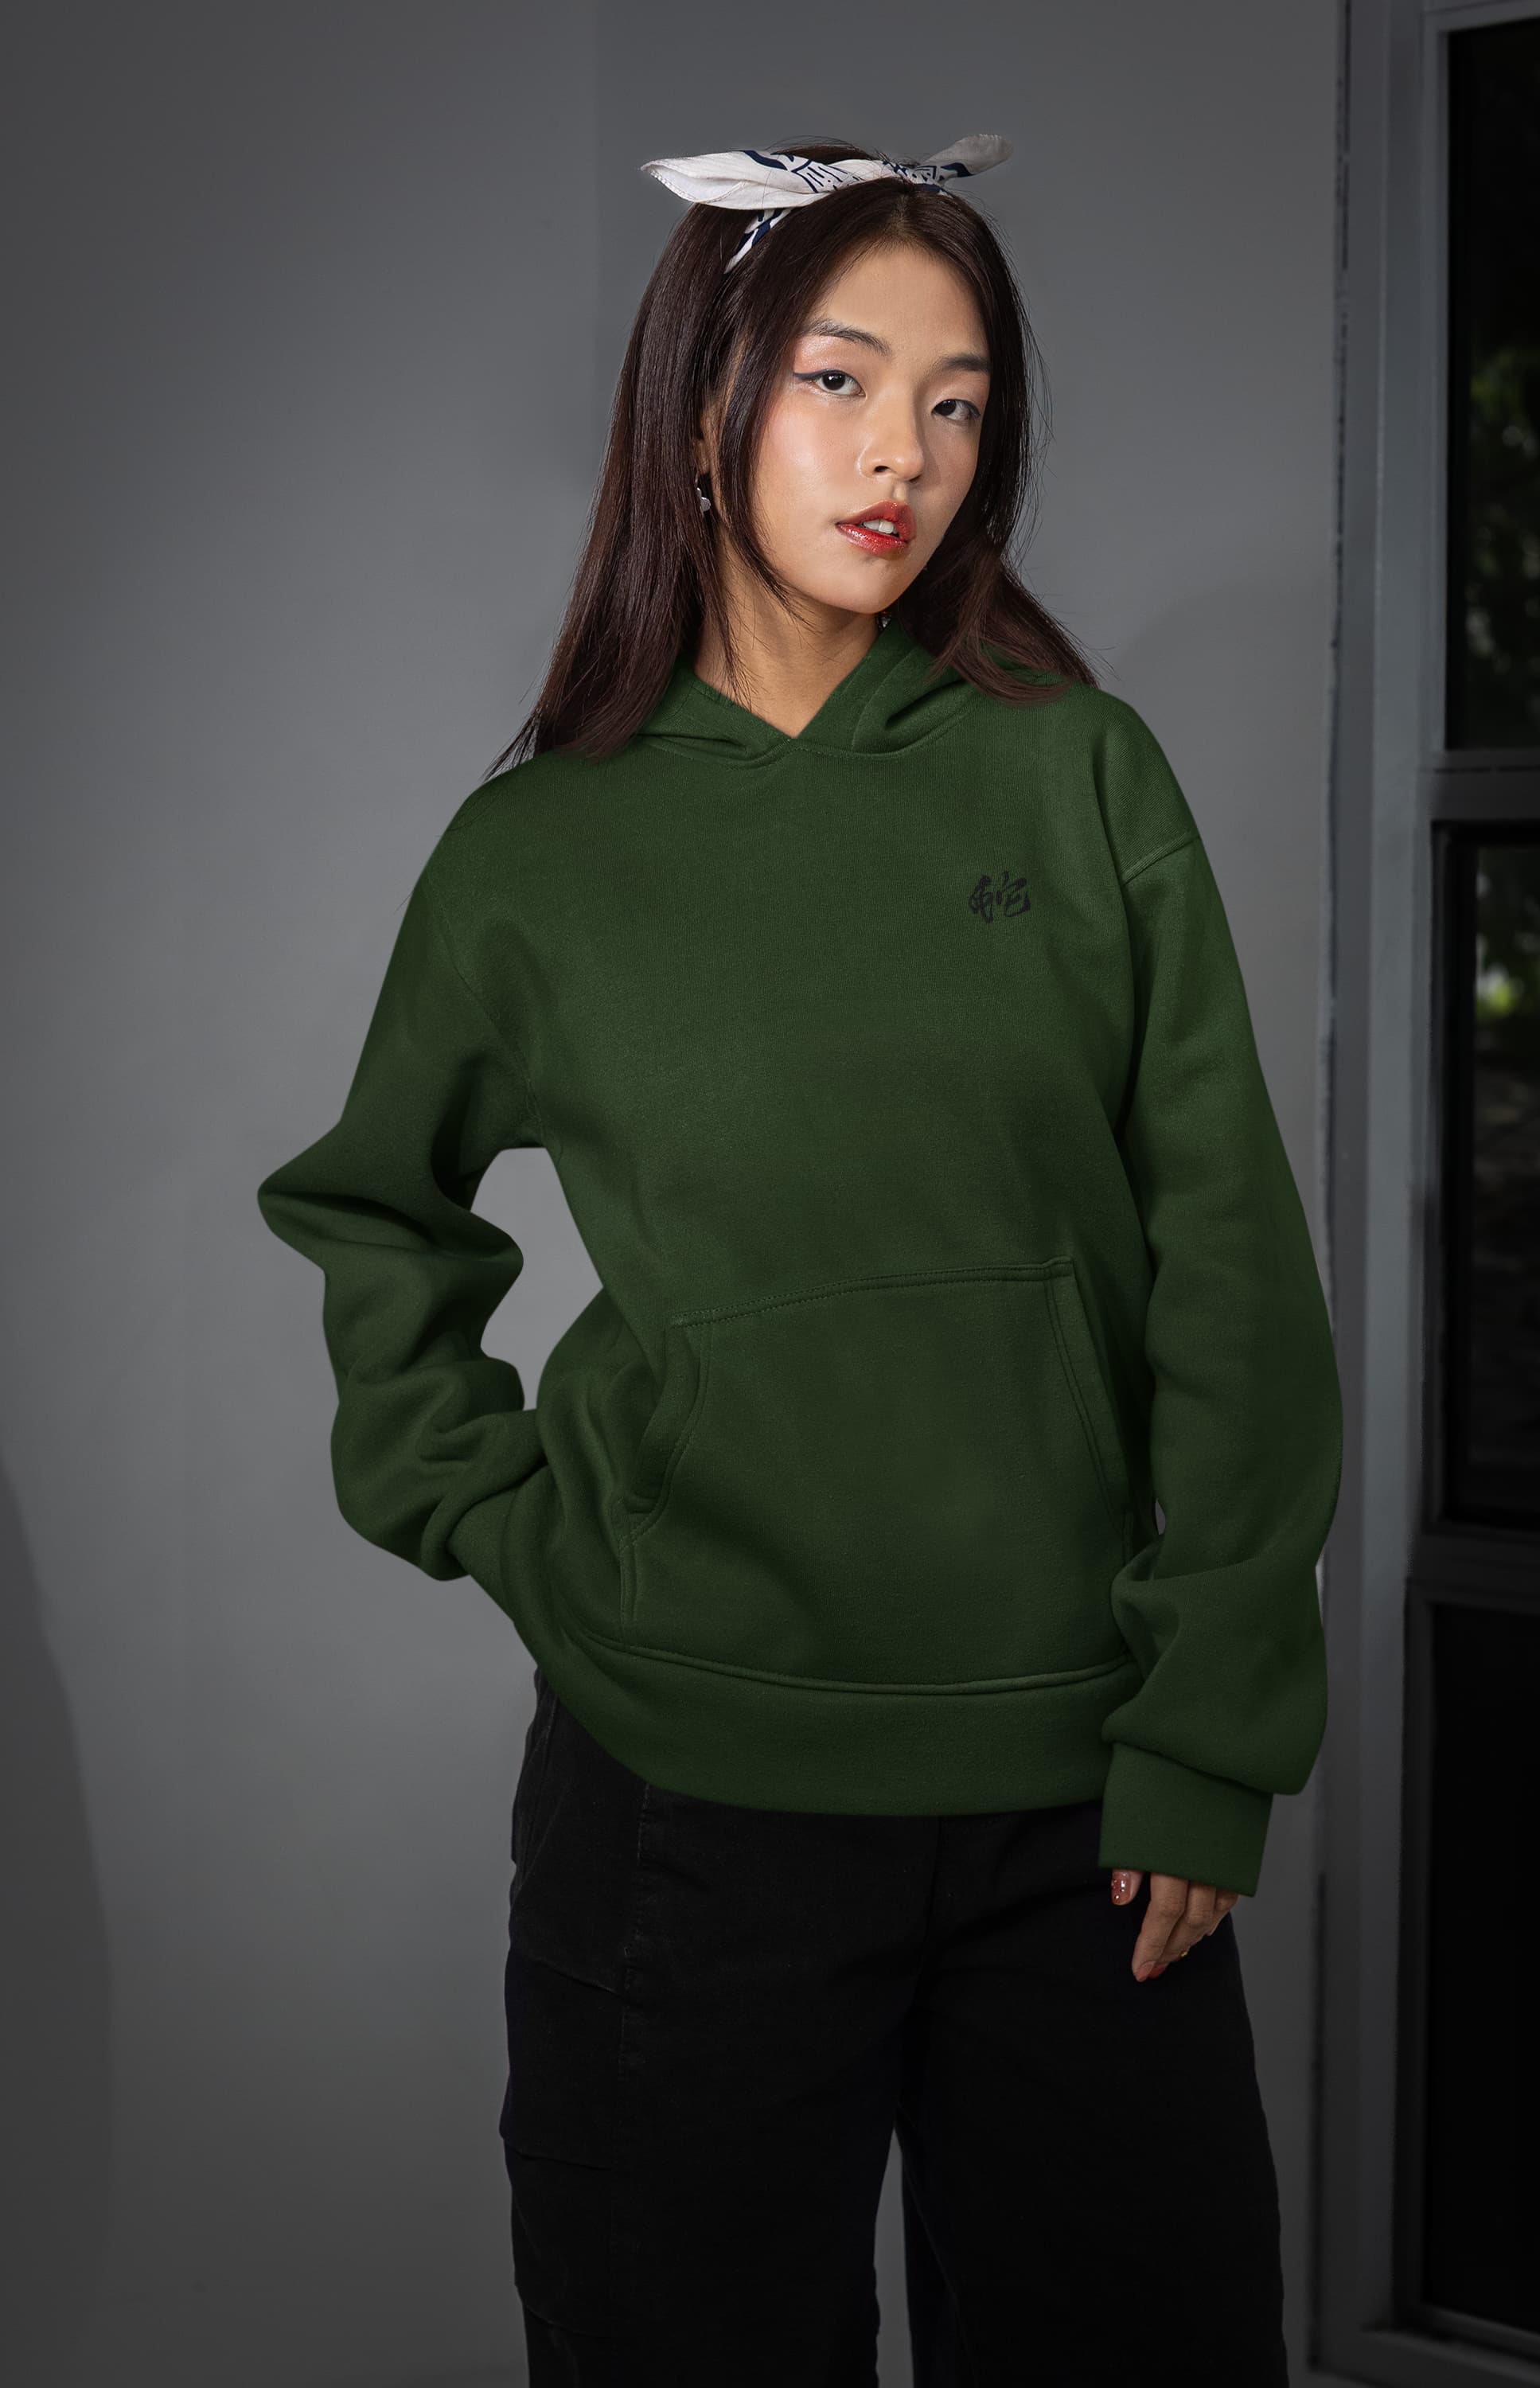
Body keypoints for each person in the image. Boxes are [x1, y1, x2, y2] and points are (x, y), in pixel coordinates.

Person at [257, 131, 1343, 2386]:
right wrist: (516, 1526)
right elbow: (376, 1209)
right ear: (704, 412)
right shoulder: (541, 853)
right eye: (841, 382)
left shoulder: (1082, 780)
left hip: (1087, 1805)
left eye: (956, 403)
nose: (902, 456)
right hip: (691, 1807)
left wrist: (1212, 1728)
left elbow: (1233, 1263)